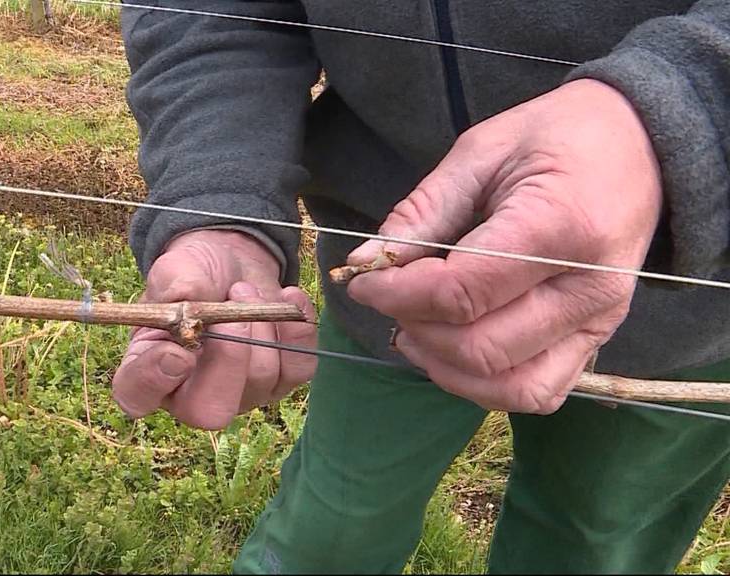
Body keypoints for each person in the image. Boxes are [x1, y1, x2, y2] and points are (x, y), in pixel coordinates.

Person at [111, 1, 730, 573]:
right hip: (388, 300)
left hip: (690, 309)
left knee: (598, 548)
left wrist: (679, 112)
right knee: (330, 530)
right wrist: (219, 202)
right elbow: (213, 14)